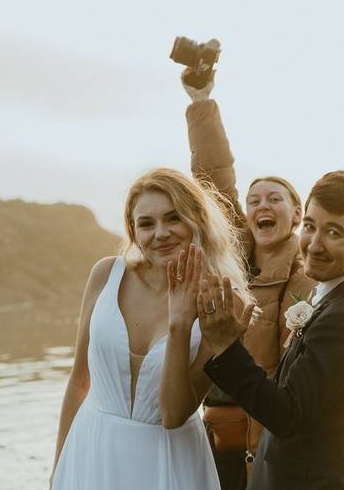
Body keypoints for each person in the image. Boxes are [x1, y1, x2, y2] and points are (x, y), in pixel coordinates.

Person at [50, 168, 253, 490]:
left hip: (169, 461)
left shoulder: (227, 305)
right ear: (133, 230)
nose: (160, 233)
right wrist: (59, 469)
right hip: (91, 451)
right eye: (146, 223)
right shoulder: (106, 275)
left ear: (197, 219)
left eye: (173, 218)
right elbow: (79, 380)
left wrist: (180, 322)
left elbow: (174, 414)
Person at [198, 170, 344, 490]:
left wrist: (226, 346)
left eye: (334, 232)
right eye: (311, 227)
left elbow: (286, 414)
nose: (314, 244)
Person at [182, 71, 315, 489]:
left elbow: (290, 381)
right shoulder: (230, 257)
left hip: (263, 432)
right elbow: (212, 178)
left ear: (297, 214)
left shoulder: (305, 277)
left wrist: (264, 449)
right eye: (254, 199)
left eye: (275, 198)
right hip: (210, 425)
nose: (262, 204)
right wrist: (201, 100)